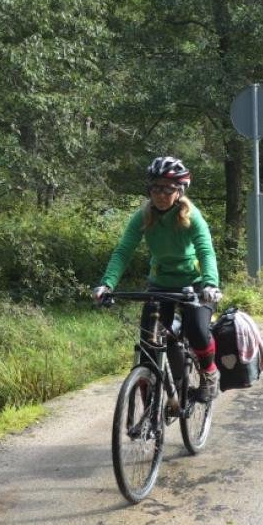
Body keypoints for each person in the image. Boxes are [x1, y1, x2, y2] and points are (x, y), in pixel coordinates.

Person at [93, 156, 223, 402]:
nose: (160, 194)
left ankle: (209, 374)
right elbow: (123, 251)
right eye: (155, 188)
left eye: (168, 188)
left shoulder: (191, 216)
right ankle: (150, 411)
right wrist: (106, 284)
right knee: (148, 346)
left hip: (194, 285)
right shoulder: (143, 216)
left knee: (196, 330)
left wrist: (210, 284)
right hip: (160, 284)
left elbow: (206, 251)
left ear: (180, 190)